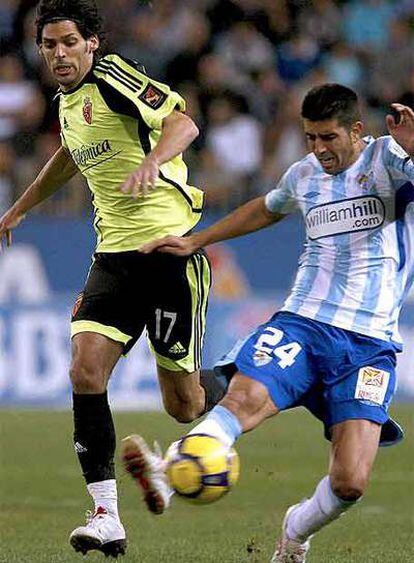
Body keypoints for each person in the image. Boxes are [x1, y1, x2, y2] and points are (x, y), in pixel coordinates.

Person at [121, 84, 414, 562]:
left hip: (370, 343)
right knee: (245, 398)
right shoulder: (304, 176)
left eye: (328, 138)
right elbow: (266, 207)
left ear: (356, 130)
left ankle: (296, 529)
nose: (318, 150)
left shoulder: (387, 160)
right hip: (304, 321)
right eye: (309, 139)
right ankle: (170, 469)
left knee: (350, 482)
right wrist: (197, 240)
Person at [0, 0, 227, 557]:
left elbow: (184, 122)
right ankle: (106, 516)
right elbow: (70, 158)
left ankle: (256, 378)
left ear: (92, 44)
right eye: (49, 45)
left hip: (169, 252)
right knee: (85, 369)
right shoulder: (68, 102)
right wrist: (20, 208)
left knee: (185, 405)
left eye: (69, 43)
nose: (58, 54)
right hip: (113, 260)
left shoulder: (112, 76)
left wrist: (154, 162)